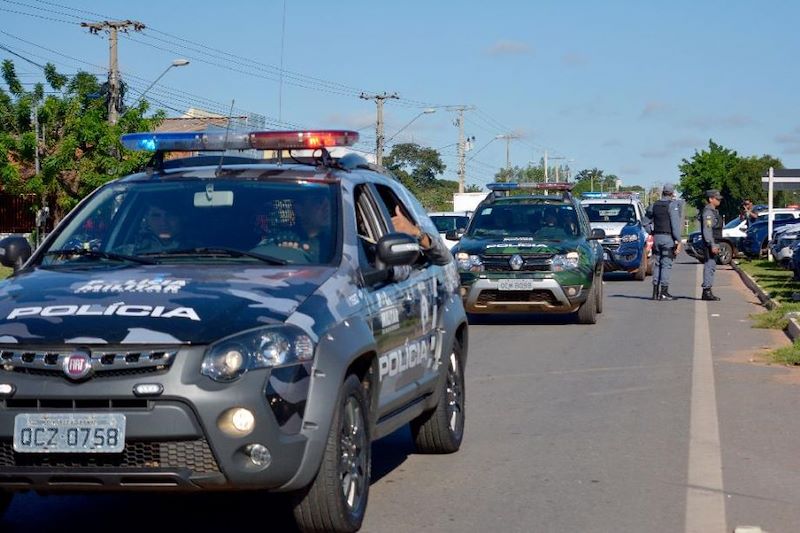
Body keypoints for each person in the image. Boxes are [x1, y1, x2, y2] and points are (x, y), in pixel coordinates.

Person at [647, 183, 682, 301]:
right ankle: (664, 292)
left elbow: (645, 222)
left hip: (657, 237)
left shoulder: (653, 205)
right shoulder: (672, 205)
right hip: (668, 239)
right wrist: (679, 240)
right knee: (666, 264)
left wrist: (651, 232)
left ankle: (655, 292)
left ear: (663, 192)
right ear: (672, 193)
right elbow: (675, 225)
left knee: (657, 264)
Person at [700, 189, 724, 301]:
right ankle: (706, 291)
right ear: (710, 199)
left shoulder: (714, 211)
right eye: (716, 198)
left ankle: (708, 289)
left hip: (715, 241)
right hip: (711, 243)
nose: (719, 200)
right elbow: (707, 229)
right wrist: (712, 244)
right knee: (709, 266)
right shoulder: (708, 213)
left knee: (712, 266)